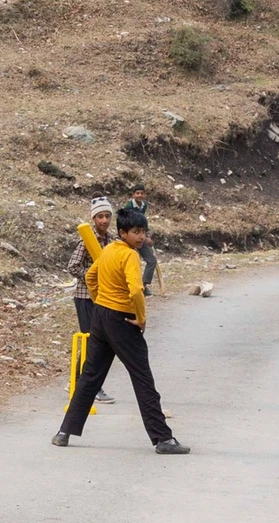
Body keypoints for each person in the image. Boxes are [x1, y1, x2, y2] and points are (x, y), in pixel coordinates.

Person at [52, 207, 188, 456]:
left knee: (90, 376)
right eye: (135, 232)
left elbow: (91, 277)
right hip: (123, 319)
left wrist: (99, 301)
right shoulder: (129, 255)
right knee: (142, 378)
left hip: (101, 317)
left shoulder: (108, 250)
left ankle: (64, 432)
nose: (141, 237)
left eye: (143, 231)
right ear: (123, 233)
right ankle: (163, 439)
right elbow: (136, 290)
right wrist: (140, 318)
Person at [69, 198, 118, 405]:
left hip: (103, 297)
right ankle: (92, 386)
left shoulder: (112, 240)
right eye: (100, 216)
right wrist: (92, 276)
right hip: (85, 297)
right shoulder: (86, 240)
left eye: (107, 216)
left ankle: (77, 380)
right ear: (94, 219)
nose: (104, 220)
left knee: (97, 341)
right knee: (91, 340)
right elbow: (73, 266)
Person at [125, 186, 159, 293]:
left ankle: (143, 286)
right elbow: (129, 225)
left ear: (145, 195)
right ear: (133, 195)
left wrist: (147, 234)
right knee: (131, 262)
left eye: (142, 193)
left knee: (152, 260)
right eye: (137, 193)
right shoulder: (129, 207)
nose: (140, 195)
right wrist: (144, 238)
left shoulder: (144, 205)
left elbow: (143, 222)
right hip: (129, 237)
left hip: (140, 236)